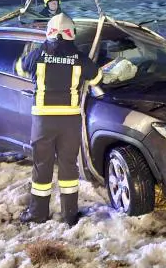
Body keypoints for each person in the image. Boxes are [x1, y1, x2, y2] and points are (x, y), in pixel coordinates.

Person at [18, 13, 103, 226]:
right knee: (68, 167)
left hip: (43, 121)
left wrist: (26, 54)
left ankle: (37, 213)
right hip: (69, 121)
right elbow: (97, 78)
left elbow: (19, 68)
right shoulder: (80, 58)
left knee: (42, 165)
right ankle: (70, 215)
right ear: (71, 33)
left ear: (49, 32)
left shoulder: (38, 54)